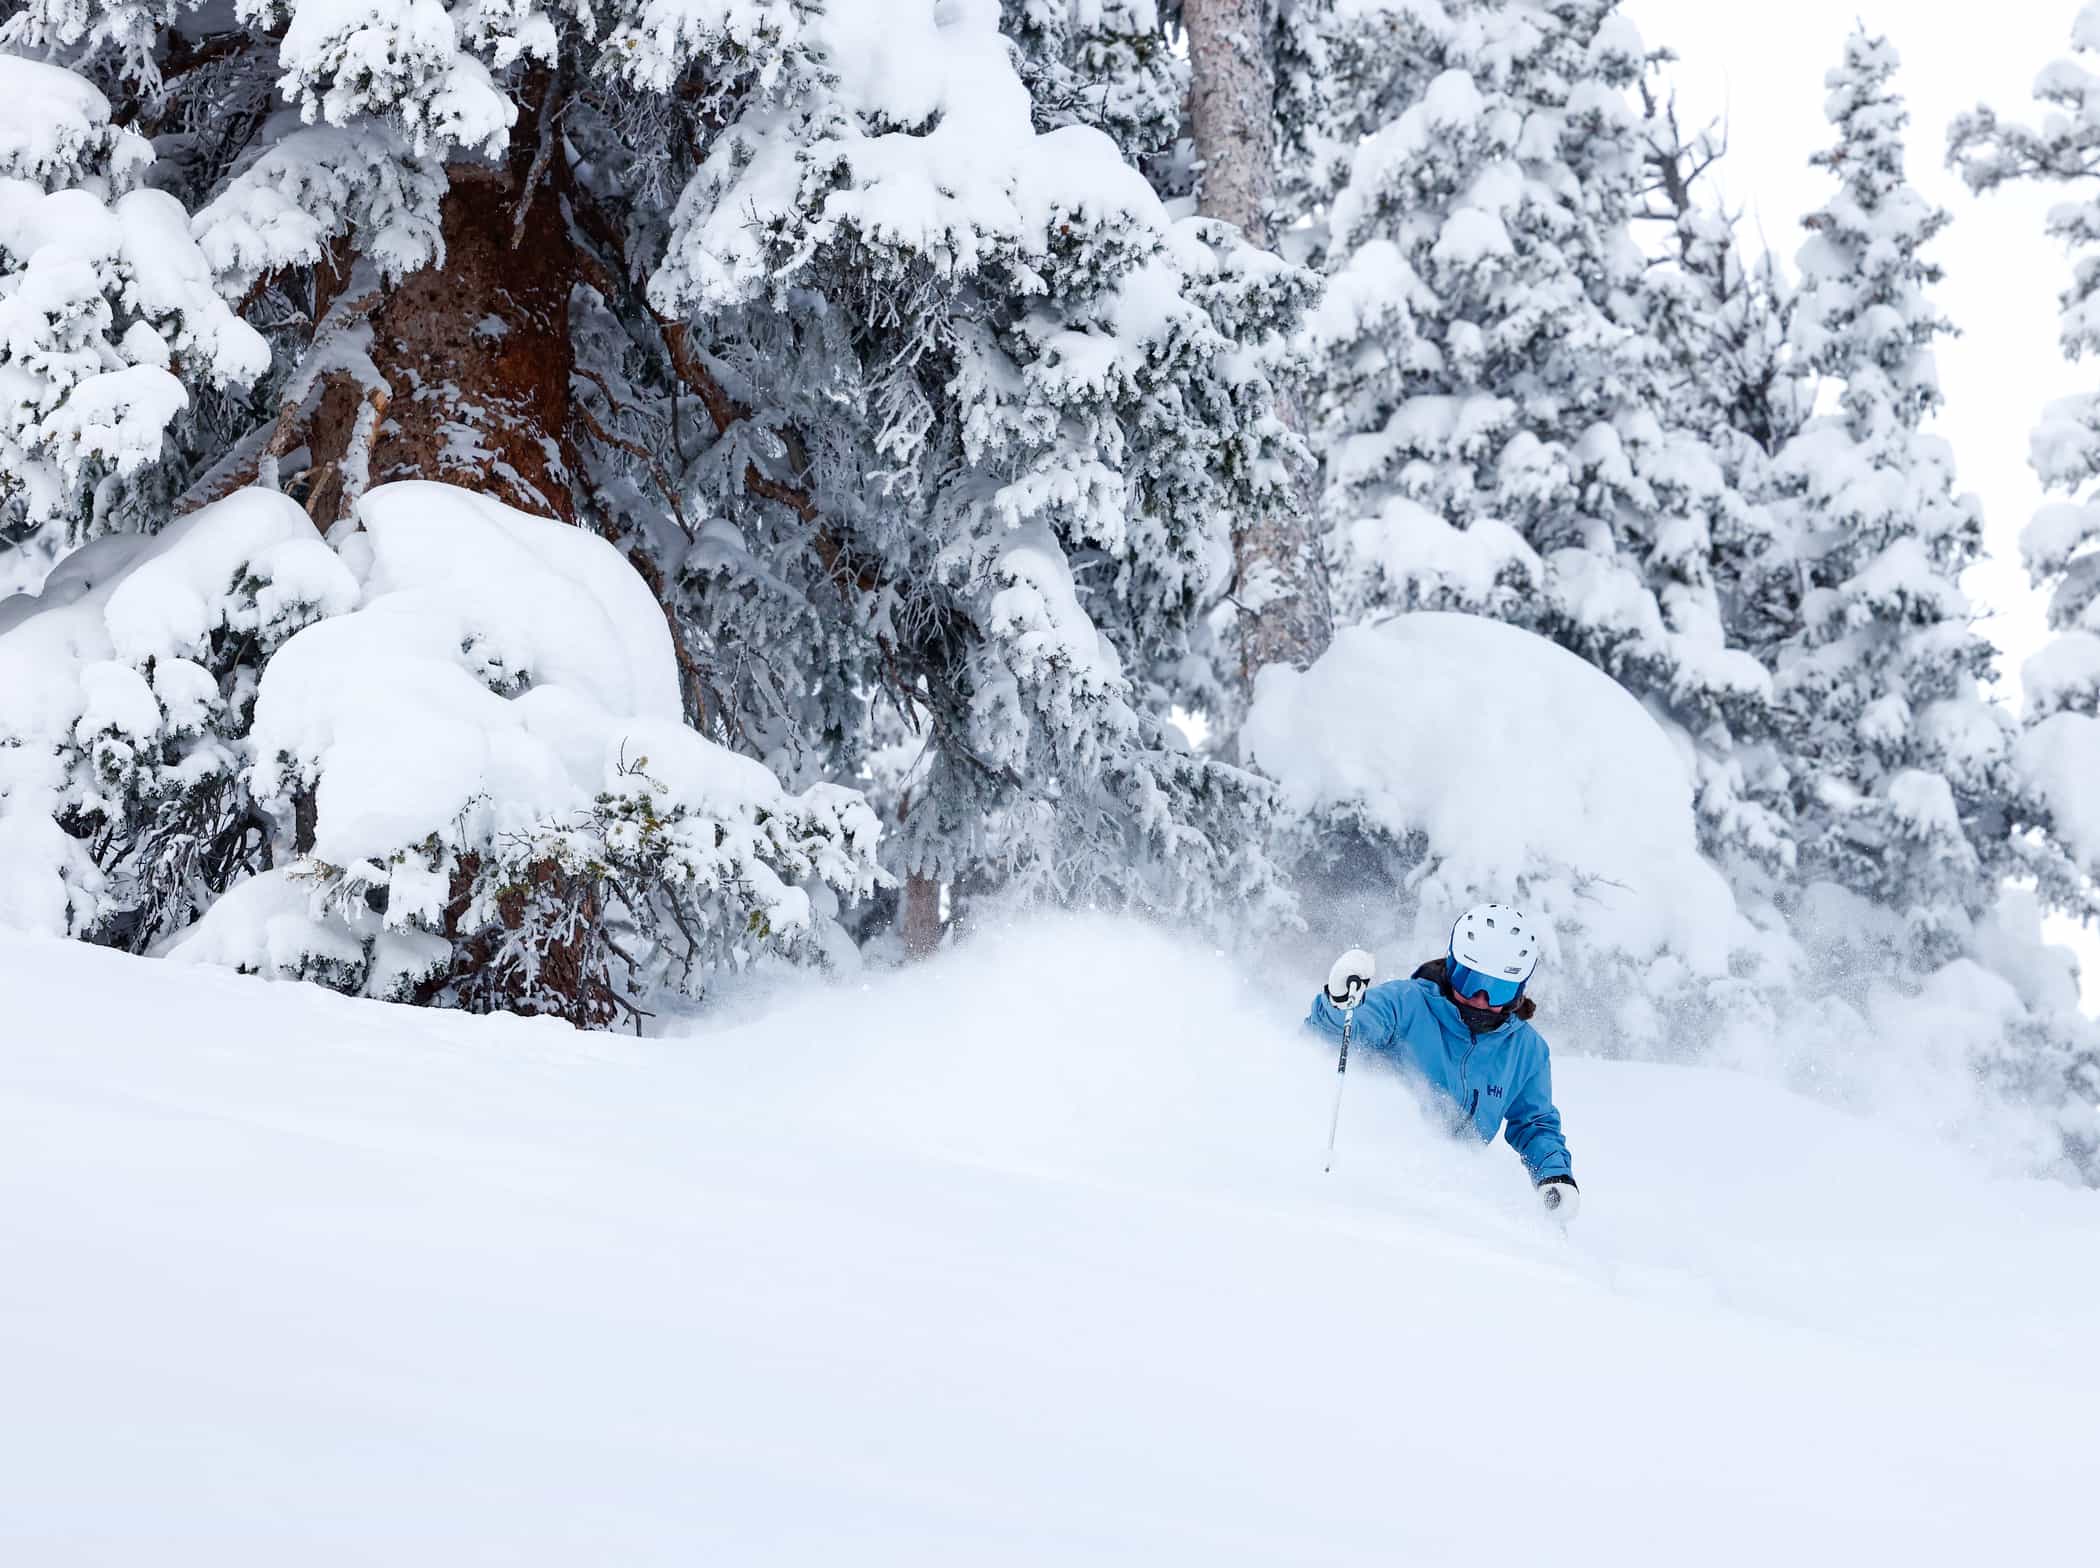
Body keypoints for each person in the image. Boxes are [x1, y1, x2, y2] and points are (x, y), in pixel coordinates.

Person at [1309, 903, 1579, 1219]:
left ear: (1519, 989)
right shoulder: (1406, 1003)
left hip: (1451, 1192)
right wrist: (1340, 1004)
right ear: (1452, 966)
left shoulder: (1527, 1050)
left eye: (1499, 989)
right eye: (1470, 980)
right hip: (1374, 1178)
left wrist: (1554, 1175)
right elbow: (1343, 1031)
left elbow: (1535, 1124)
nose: (1481, 998)